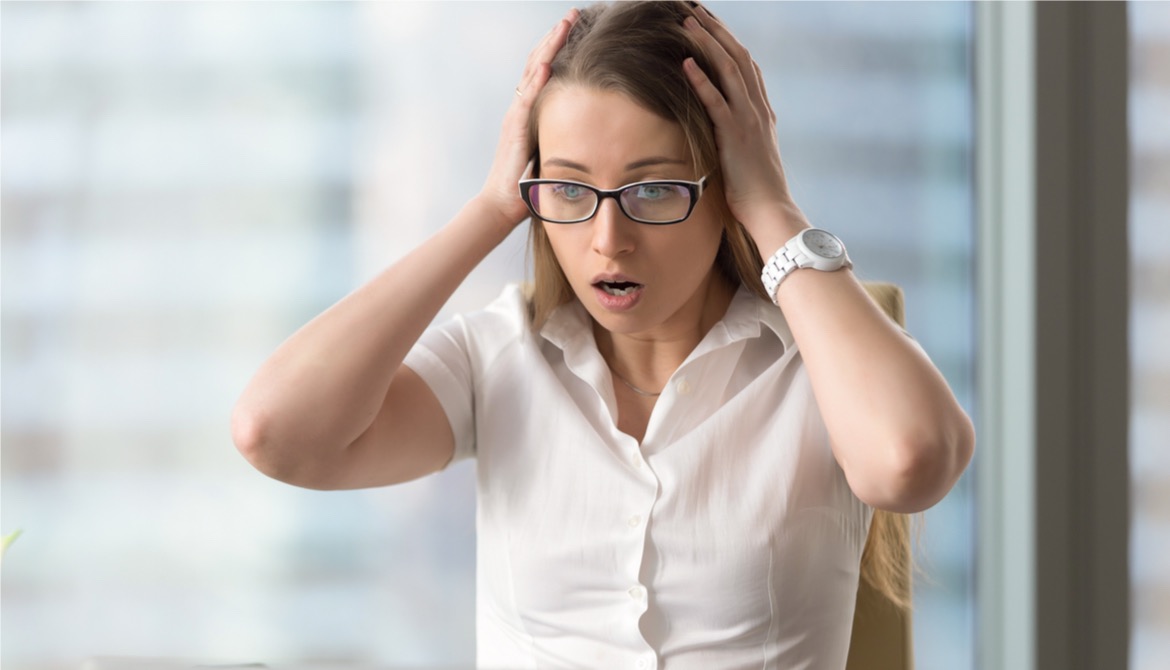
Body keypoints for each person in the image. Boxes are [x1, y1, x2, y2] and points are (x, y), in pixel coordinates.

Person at [231, 2, 975, 667]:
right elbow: (277, 433)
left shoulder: (818, 361)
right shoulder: (499, 355)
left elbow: (908, 464)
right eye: (569, 188)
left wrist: (773, 205)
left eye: (654, 189)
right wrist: (490, 210)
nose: (607, 240)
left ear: (725, 188)